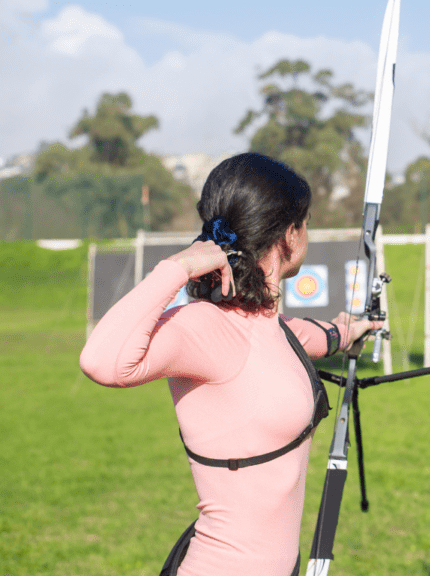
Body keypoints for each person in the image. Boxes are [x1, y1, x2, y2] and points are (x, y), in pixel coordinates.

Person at [79, 152, 383, 576]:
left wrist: (350, 328)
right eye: (306, 222)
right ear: (289, 235)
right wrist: (178, 268)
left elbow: (309, 337)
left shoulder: (268, 324)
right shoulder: (204, 328)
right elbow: (101, 362)